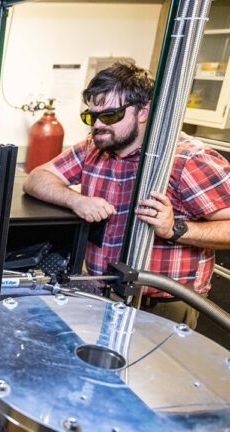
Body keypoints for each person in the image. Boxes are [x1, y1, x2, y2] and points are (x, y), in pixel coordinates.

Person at [23, 61, 230, 328]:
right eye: (91, 116)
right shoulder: (93, 149)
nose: (97, 125)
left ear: (143, 112)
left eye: (109, 116)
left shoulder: (188, 160)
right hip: (105, 294)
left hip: (163, 306)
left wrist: (175, 228)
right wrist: (76, 200)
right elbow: (36, 179)